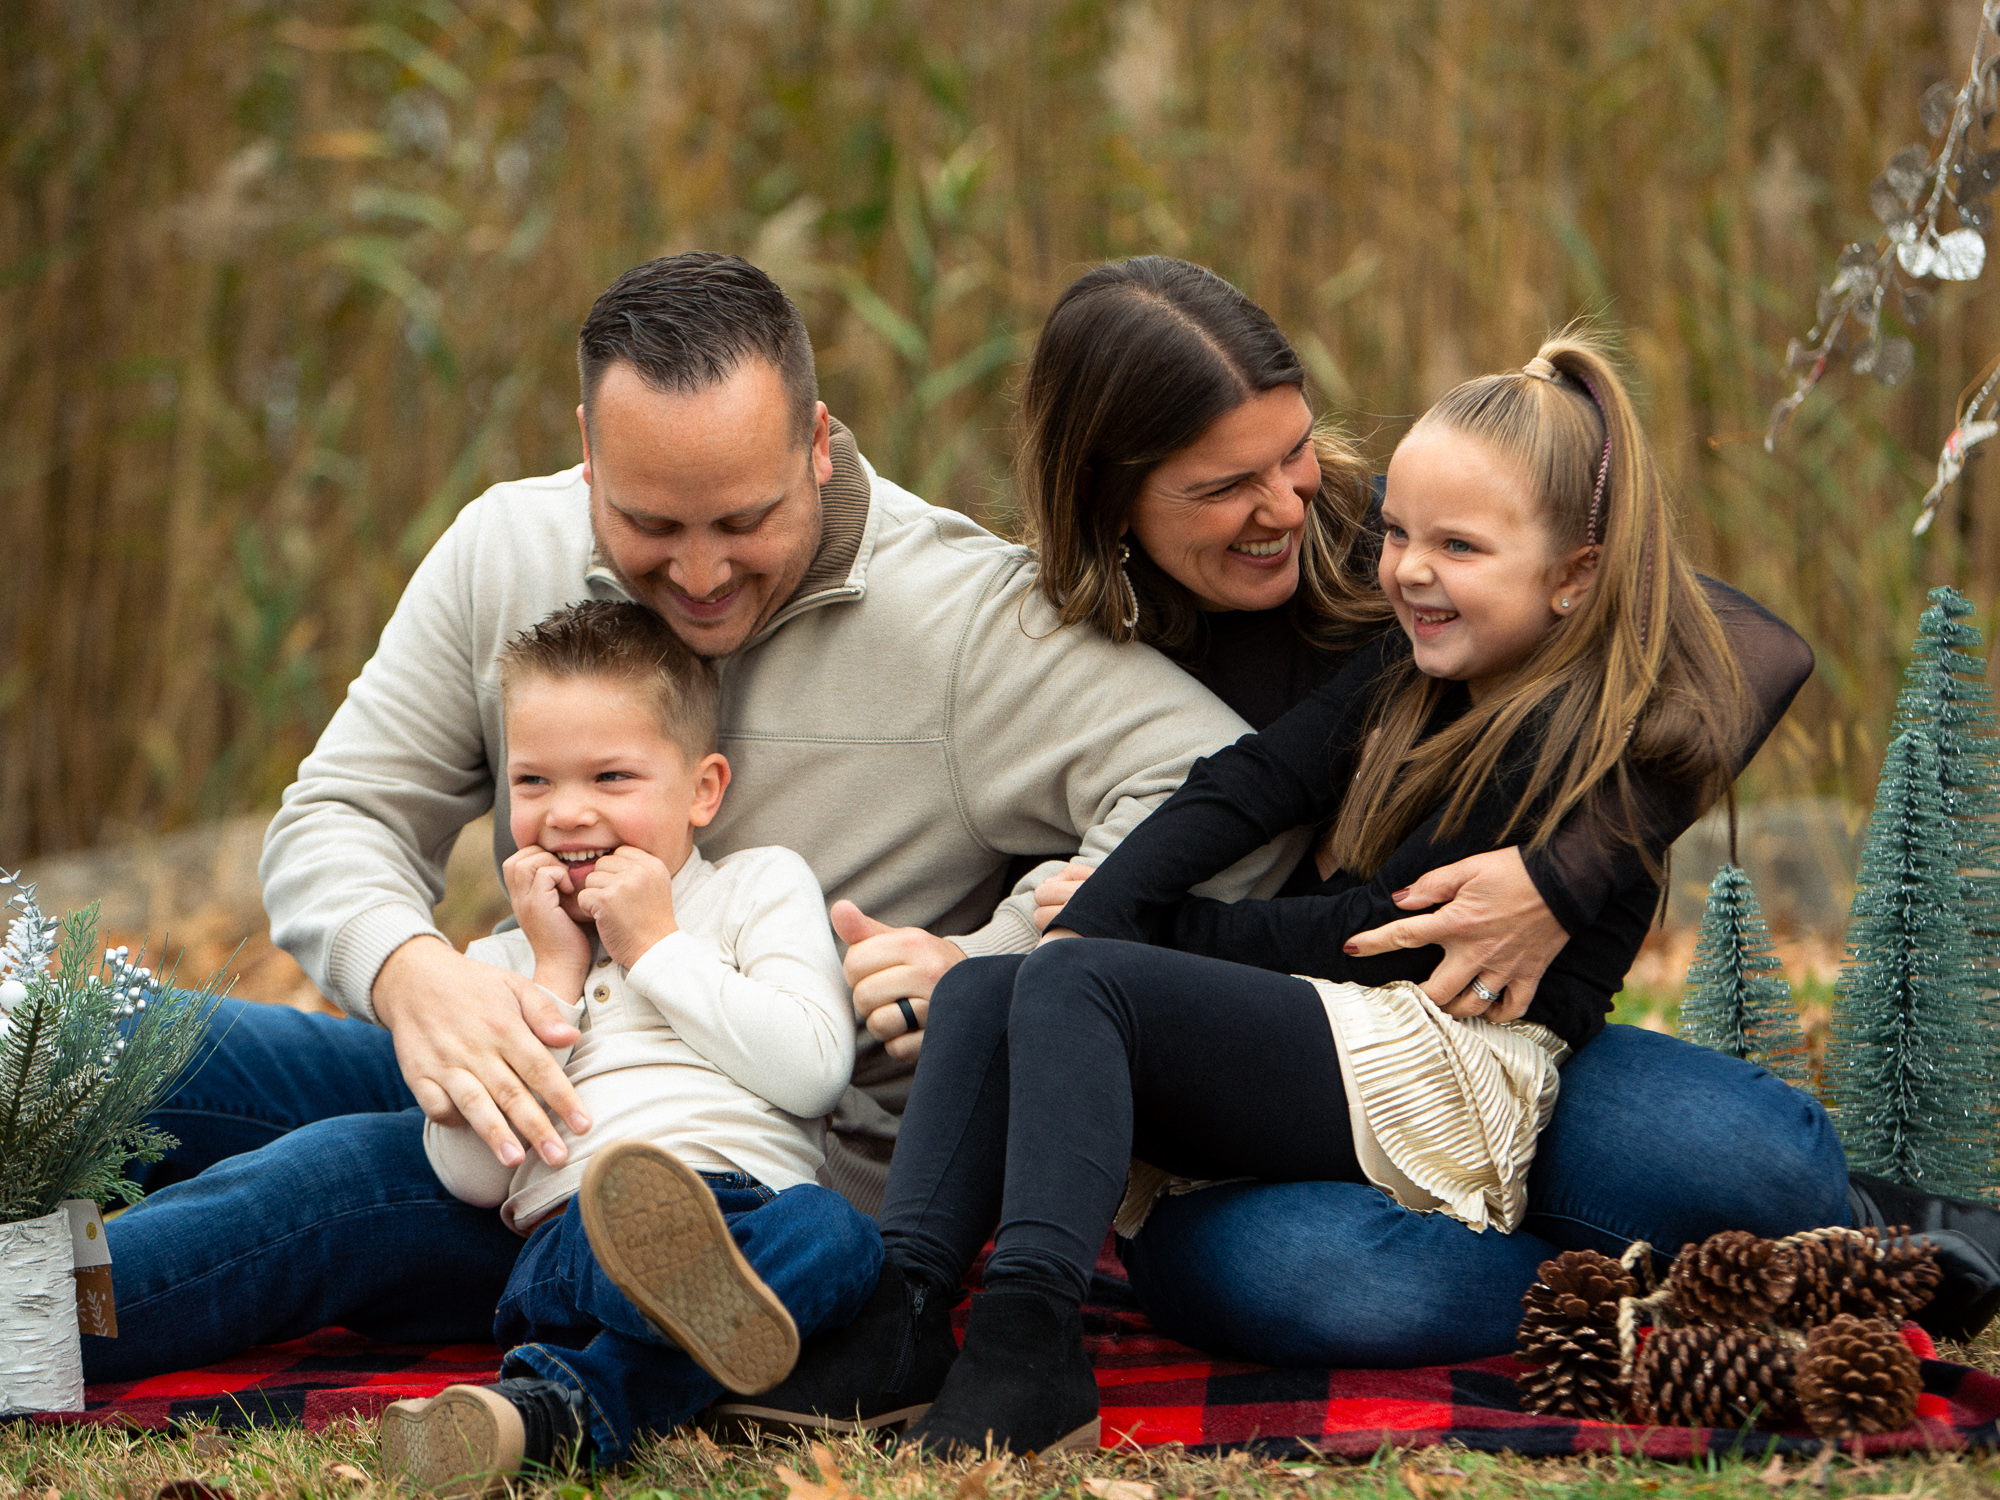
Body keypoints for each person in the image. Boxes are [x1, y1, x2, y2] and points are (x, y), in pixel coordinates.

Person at [721, 260, 2000, 1449]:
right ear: (1113, 492)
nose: (1290, 506)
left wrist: (1564, 875)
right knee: (1293, 1272)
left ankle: (1821, 1250)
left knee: (1744, 1162)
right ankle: (915, 1325)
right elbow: (1203, 821)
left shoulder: (1391, 561)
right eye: (1227, 487)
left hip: (1442, 1033)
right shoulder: (1056, 651)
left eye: (1293, 456)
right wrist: (1025, 939)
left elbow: (1737, 643)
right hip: (1238, 1076)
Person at [88, 251, 1340, 1380]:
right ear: (588, 447)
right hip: (528, 1084)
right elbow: (340, 815)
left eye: (743, 521)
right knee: (92, 1037)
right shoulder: (500, 552)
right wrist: (414, 976)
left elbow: (1224, 790)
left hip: (742, 1187)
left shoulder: (965, 624)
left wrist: (987, 969)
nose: (697, 574)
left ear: (814, 440)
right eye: (648, 525)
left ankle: (26, 1326)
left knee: (327, 1186)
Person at [377, 600, 878, 1491]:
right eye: (533, 783)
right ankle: (670, 1310)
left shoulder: (758, 887)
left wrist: (655, 946)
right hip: (575, 1234)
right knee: (671, 1250)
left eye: (611, 778)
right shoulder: (496, 960)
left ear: (703, 790)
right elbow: (472, 1176)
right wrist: (553, 974)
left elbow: (812, 1071)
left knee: (840, 1235)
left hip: (756, 1220)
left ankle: (550, 1418)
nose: (567, 814)